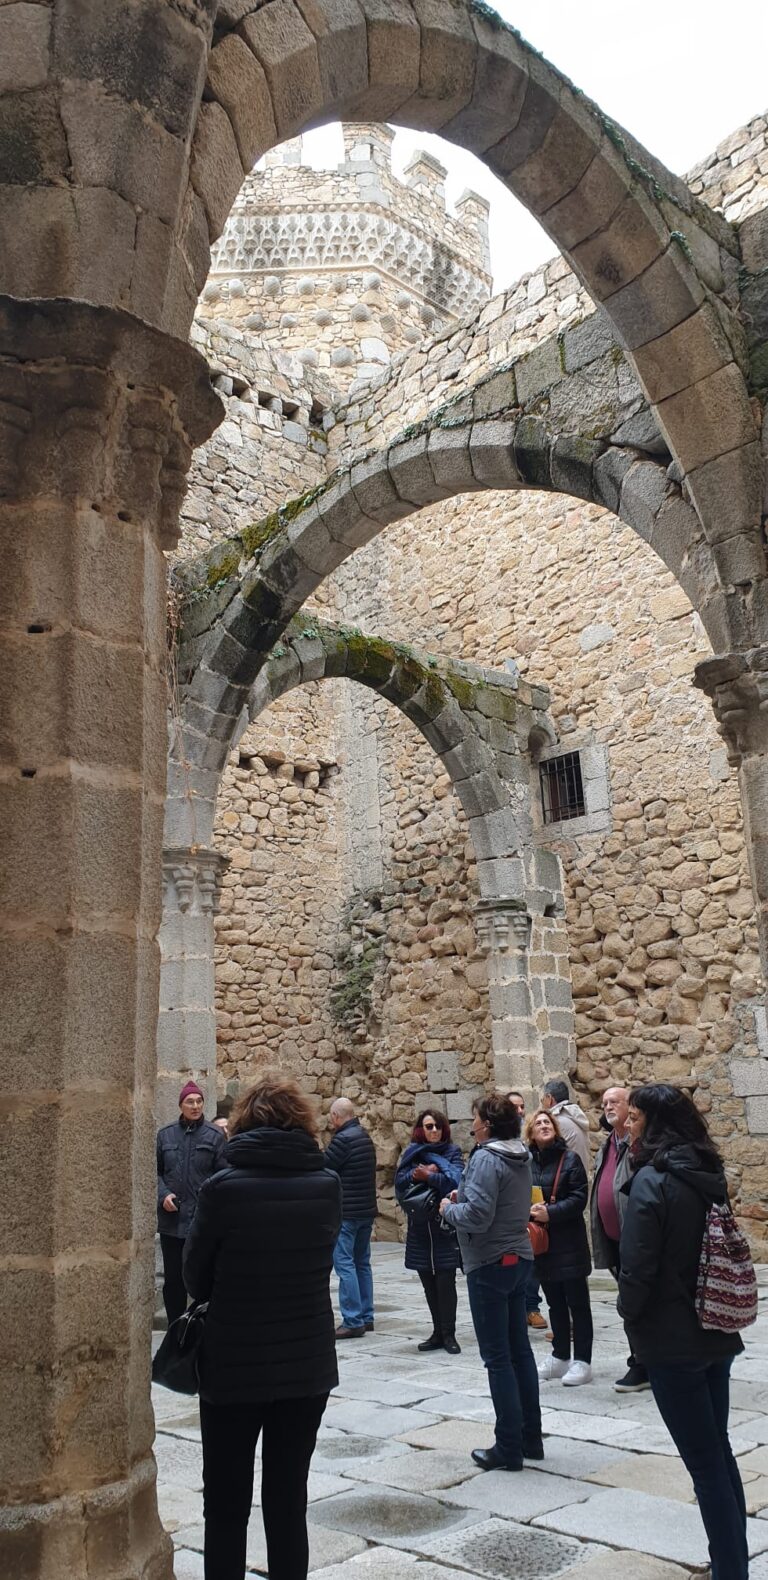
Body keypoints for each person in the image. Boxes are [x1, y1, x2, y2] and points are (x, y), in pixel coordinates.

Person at [182, 1071, 341, 1580]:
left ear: (244, 1122)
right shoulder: (327, 1185)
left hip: (234, 1365)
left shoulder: (222, 1189)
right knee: (287, 1501)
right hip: (307, 1365)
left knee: (225, 1503)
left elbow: (195, 1278)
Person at [618, 1084, 747, 1580]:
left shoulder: (653, 1180)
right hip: (715, 1327)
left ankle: (730, 1571)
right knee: (718, 1450)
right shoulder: (705, 1172)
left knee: (703, 1462)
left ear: (653, 1124)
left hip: (672, 1339)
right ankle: (729, 1560)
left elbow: (639, 1265)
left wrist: (629, 1314)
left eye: (634, 1119)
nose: (628, 1127)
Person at [440, 1092, 542, 1471]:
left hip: (488, 1262)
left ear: (487, 1124)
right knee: (520, 1353)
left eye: (476, 1119)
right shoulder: (519, 1154)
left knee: (497, 1358)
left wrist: (450, 1208)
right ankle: (531, 1438)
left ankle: (508, 1447)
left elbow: (479, 1217)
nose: (471, 1125)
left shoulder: (486, 1157)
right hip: (517, 1259)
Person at [526, 1108, 593, 1386]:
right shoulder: (527, 1164)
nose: (544, 1125)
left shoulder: (571, 1160)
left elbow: (579, 1197)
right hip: (544, 1246)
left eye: (547, 1122)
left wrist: (550, 1212)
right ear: (530, 1133)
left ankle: (583, 1361)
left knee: (578, 1303)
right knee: (554, 1303)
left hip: (569, 1242)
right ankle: (560, 1355)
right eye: (538, 1123)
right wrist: (531, 1211)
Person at [590, 1085, 649, 1393]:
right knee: (630, 1301)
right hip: (614, 1239)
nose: (608, 1106)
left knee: (634, 1302)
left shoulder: (641, 1145)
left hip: (636, 1240)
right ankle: (644, 1359)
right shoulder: (608, 1144)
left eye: (615, 1101)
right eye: (604, 1103)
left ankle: (642, 1363)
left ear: (631, 1108)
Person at [156, 1080, 227, 1326]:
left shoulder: (215, 1135)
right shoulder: (165, 1135)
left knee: (203, 1277)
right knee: (174, 1280)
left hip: (201, 1221)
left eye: (199, 1101)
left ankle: (202, 1327)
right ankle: (175, 1330)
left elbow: (223, 1174)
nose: (196, 1106)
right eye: (190, 1101)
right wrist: (163, 1194)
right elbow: (154, 1173)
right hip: (172, 1222)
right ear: (181, 1105)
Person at [395, 1109, 464, 1354]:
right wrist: (419, 1174)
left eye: (437, 1126)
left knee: (446, 1282)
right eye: (428, 1126)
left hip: (443, 1228)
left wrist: (430, 1176)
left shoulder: (452, 1153)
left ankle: (449, 1334)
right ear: (420, 1129)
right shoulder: (412, 1153)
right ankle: (437, 1331)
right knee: (428, 1283)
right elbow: (401, 1183)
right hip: (421, 1228)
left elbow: (456, 1182)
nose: (433, 1130)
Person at [324, 1096, 377, 1338]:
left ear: (336, 1116)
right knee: (362, 1263)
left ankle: (353, 1319)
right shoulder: (364, 1137)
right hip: (366, 1210)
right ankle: (366, 1316)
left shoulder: (342, 1140)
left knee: (345, 1265)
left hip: (346, 1212)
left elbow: (325, 1167)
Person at [508, 1090, 548, 1335]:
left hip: (534, 1207)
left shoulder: (529, 1140)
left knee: (533, 1262)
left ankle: (532, 1307)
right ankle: (521, 1309)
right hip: (512, 1211)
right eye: (515, 1107)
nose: (520, 1112)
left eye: (522, 1107)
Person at [540, 1078, 590, 1173]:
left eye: (543, 1099)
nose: (542, 1103)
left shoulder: (556, 1121)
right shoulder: (574, 1116)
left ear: (549, 1098)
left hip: (565, 1178)